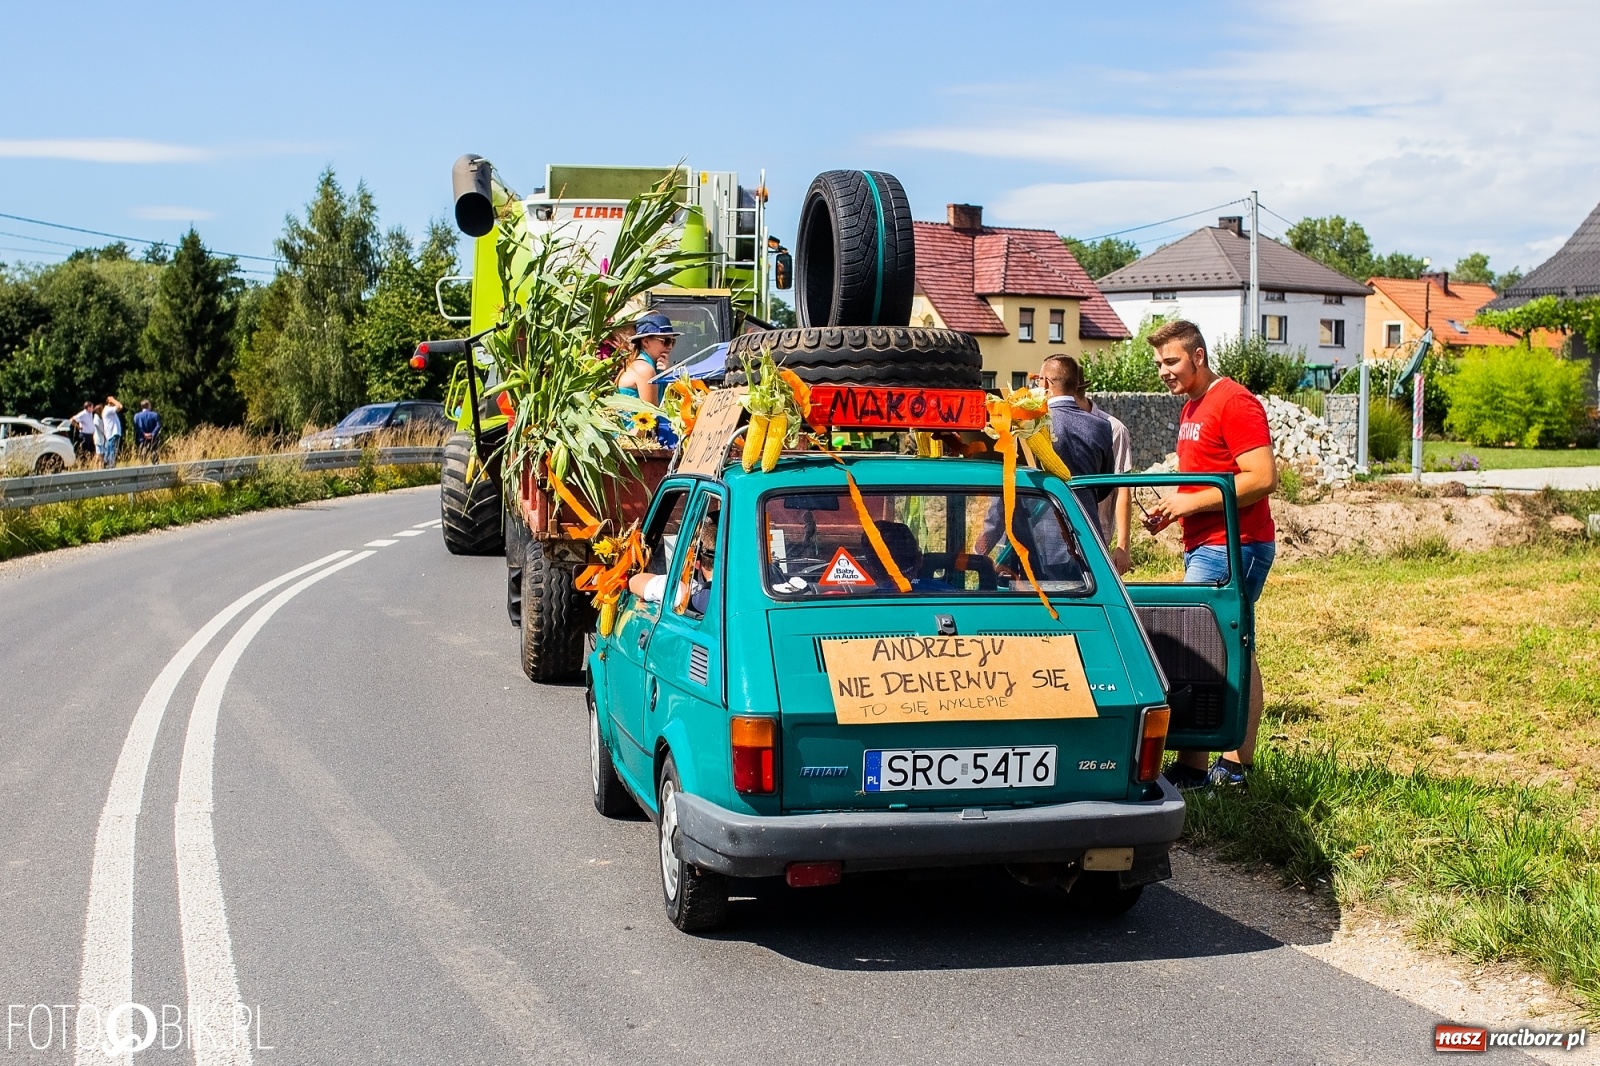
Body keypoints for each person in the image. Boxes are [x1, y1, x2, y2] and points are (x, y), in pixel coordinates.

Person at [1142, 320, 1278, 790]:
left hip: (1234, 545)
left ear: (1199, 356)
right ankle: (1198, 765)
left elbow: (1261, 478)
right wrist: (1172, 511)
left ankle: (1235, 764)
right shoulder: (1193, 406)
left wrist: (1188, 502)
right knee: (1210, 650)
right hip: (1207, 543)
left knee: (1218, 650)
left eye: (1172, 360)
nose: (1163, 370)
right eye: (1158, 362)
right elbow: (1209, 479)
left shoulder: (1234, 401)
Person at [1039, 355, 1115, 538]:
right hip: (1087, 532)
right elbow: (1106, 483)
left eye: (1038, 379)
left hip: (1041, 536)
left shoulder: (1033, 425)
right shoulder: (1102, 426)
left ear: (1046, 384)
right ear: (1076, 386)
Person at [1069, 380, 1134, 574]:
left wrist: (1123, 546)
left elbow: (1122, 488)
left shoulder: (1113, 429)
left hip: (1096, 539)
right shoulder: (1049, 424)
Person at [617, 312, 677, 407]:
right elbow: (654, 414)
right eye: (666, 341)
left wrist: (668, 375)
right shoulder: (644, 369)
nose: (670, 346)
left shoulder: (652, 366)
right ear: (645, 341)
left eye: (672, 341)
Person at [95, 396, 124, 467]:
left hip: (110, 436)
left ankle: (107, 466)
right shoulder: (108, 409)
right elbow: (120, 406)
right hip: (113, 434)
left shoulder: (108, 410)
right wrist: (113, 400)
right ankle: (111, 467)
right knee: (112, 453)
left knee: (108, 453)